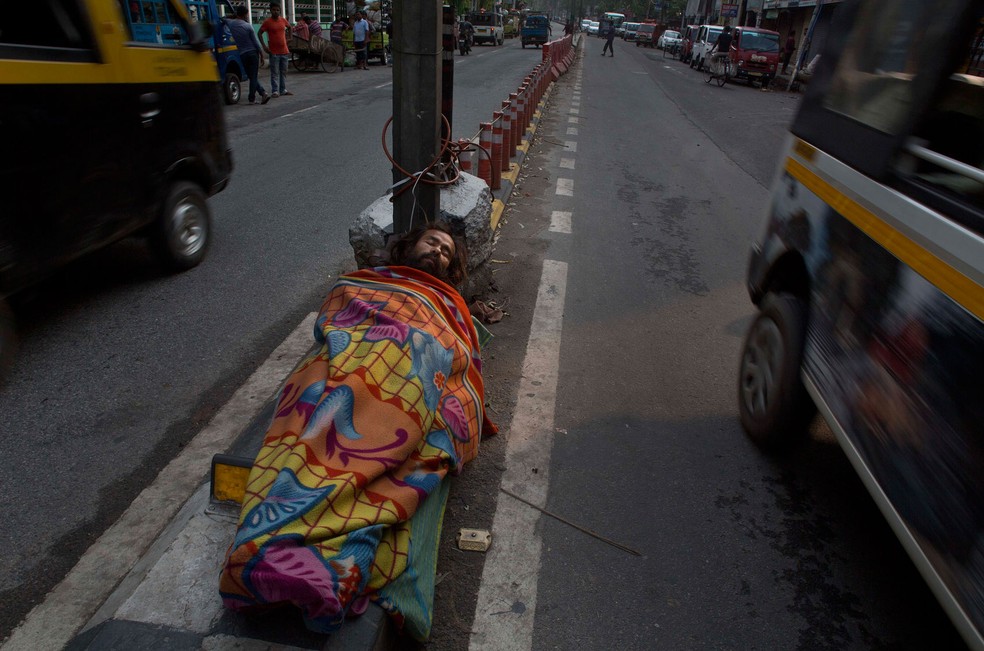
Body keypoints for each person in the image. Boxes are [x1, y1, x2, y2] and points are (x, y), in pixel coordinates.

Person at [219, 223, 494, 639]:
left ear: (450, 268)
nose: (437, 251)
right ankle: (287, 541)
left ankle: (305, 550)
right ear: (409, 246)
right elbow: (335, 316)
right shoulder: (366, 282)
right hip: (356, 343)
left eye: (445, 251)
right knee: (312, 400)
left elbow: (459, 354)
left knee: (414, 388)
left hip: (413, 357)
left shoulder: (448, 304)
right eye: (431, 242)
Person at [227, 7, 270, 104]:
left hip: (242, 54)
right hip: (252, 53)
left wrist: (233, 16)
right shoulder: (248, 26)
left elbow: (223, 19)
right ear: (245, 14)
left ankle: (263, 93)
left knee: (251, 76)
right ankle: (252, 98)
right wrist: (261, 55)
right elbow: (255, 42)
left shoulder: (231, 24)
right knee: (253, 76)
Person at [259, 2, 292, 97]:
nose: (276, 12)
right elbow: (259, 33)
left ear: (280, 11)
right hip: (274, 52)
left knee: (284, 71)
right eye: (274, 10)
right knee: (274, 72)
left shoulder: (283, 20)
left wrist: (290, 38)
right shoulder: (267, 22)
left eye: (277, 10)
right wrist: (264, 47)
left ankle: (283, 90)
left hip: (284, 51)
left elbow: (289, 27)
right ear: (270, 10)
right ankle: (275, 91)